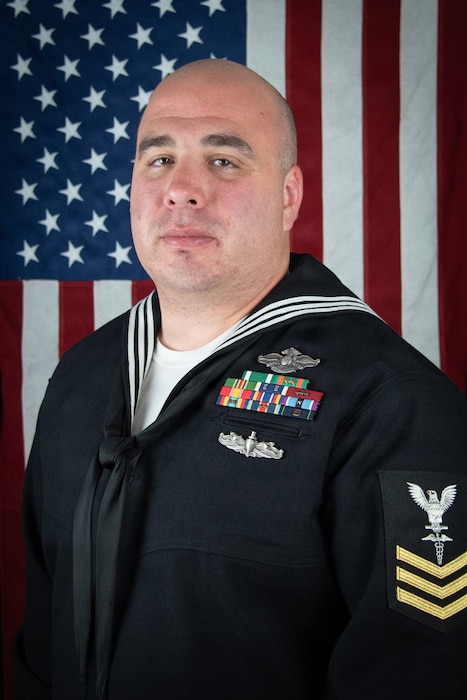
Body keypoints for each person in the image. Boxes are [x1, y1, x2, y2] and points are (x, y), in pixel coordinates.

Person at [14, 59, 467, 699]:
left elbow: (420, 673)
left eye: (223, 160)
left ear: (288, 195)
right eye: (159, 159)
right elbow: (42, 642)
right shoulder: (80, 378)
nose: (182, 189)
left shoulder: (390, 403)